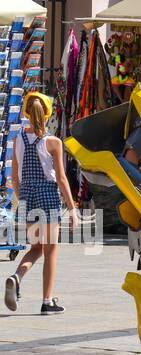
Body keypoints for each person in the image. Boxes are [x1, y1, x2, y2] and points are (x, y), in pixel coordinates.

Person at [4, 92, 75, 314]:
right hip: (47, 195)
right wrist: (72, 208)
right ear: (47, 114)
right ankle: (47, 301)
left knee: (35, 248)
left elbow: (15, 178)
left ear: (26, 111)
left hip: (26, 194)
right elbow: (61, 178)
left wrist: (22, 197)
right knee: (51, 250)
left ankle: (17, 276)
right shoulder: (53, 142)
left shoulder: (18, 140)